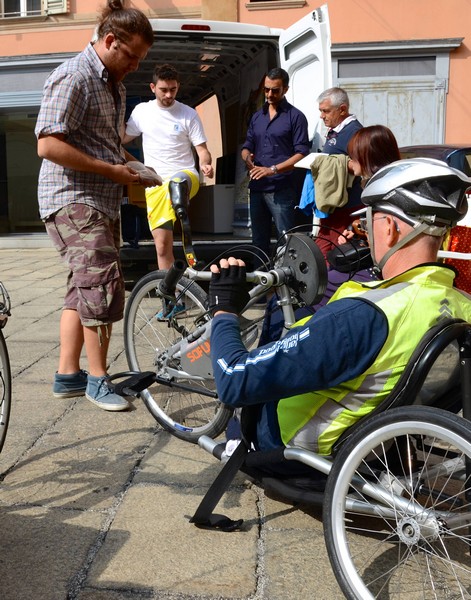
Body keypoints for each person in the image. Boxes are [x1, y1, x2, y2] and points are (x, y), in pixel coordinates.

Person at [208, 158, 471, 460]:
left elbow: (232, 380)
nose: (364, 233)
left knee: (257, 360)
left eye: (368, 223)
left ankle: (238, 439)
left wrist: (224, 309)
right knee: (294, 317)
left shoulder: (360, 316)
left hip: (301, 444)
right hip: (383, 437)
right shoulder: (462, 304)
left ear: (389, 229)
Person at [35, 0, 158, 412]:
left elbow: (105, 144)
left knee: (82, 287)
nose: (135, 66)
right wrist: (111, 171)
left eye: (141, 59)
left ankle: (68, 375)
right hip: (72, 198)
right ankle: (98, 380)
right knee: (101, 285)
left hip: (100, 200)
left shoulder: (115, 86)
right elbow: (47, 144)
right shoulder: (74, 76)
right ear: (109, 41)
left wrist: (134, 166)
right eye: (132, 56)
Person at [123, 63, 214, 273]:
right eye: (164, 90)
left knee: (177, 182)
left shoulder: (188, 114)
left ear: (178, 86)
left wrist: (205, 164)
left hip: (186, 176)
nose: (169, 95)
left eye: (173, 89)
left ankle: (183, 220)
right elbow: (123, 139)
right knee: (162, 246)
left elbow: (202, 150)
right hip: (156, 184)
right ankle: (170, 290)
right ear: (153, 87)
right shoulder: (142, 111)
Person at [241, 67, 310, 262]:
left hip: (281, 189)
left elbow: (302, 154)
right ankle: (260, 280)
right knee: (258, 242)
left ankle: (287, 280)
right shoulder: (257, 117)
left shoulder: (295, 116)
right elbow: (246, 146)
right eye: (266, 89)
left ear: (285, 89)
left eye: (275, 90)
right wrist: (247, 158)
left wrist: (272, 170)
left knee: (286, 241)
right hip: (257, 188)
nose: (269, 94)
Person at [315, 87, 363, 257]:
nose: (322, 116)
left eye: (326, 111)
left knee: (338, 255)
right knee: (320, 253)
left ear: (342, 109)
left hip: (347, 207)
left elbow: (361, 166)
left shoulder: (355, 132)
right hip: (332, 207)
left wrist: (332, 163)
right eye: (321, 111)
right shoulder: (336, 130)